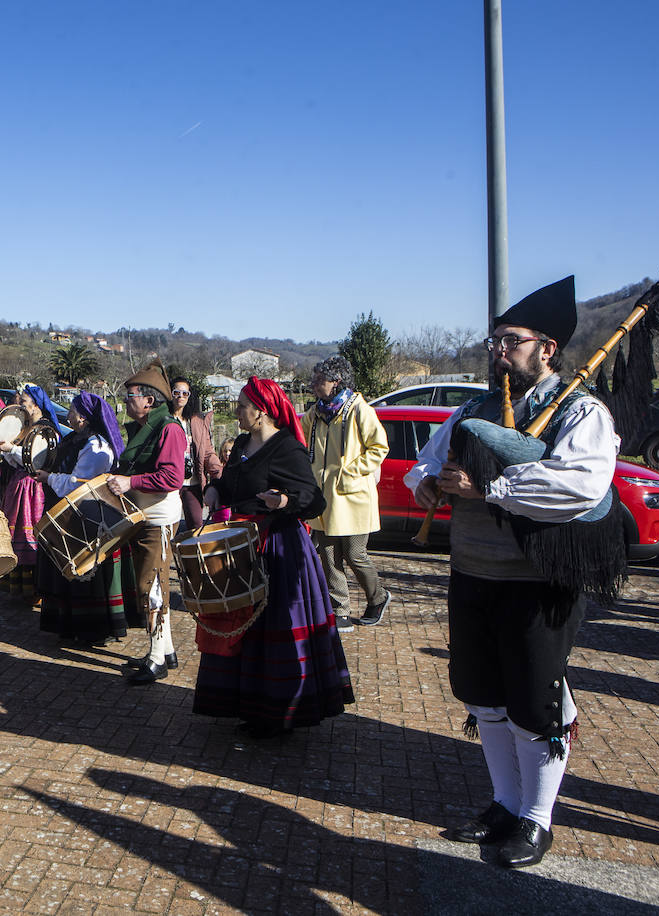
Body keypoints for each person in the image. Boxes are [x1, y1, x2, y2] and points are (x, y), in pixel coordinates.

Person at [406, 276, 618, 869]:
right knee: (482, 696)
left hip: (538, 583)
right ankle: (503, 803)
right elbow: (426, 459)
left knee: (533, 703)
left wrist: (491, 488)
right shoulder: (472, 408)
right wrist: (426, 485)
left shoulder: (580, 409)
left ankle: (536, 819)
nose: (499, 351)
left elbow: (580, 486)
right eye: (493, 341)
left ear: (546, 348)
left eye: (512, 341)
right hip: (472, 572)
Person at [198, 377, 354, 738]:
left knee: (273, 630)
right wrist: (214, 490)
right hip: (242, 544)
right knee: (245, 628)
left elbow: (314, 499)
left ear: (262, 410)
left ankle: (278, 713)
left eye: (241, 405)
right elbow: (231, 483)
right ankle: (248, 707)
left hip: (279, 548)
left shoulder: (287, 449)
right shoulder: (240, 444)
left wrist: (285, 501)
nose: (236, 411)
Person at [33, 391, 139, 644]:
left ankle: (94, 629)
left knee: (89, 573)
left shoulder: (96, 447)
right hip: (78, 515)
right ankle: (72, 625)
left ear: (83, 417)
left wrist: (49, 478)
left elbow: (77, 485)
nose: (68, 414)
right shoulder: (78, 439)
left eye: (72, 410)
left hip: (90, 517)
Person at [105, 361, 187, 684]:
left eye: (131, 395)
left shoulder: (168, 429)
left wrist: (129, 482)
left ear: (149, 401)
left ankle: (157, 660)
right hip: (145, 518)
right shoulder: (146, 428)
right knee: (154, 586)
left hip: (160, 519)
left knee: (149, 587)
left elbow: (172, 477)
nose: (127, 401)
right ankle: (164, 651)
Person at [301, 356, 391, 632]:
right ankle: (340, 609)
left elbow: (379, 447)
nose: (314, 385)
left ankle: (378, 597)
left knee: (355, 554)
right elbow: (301, 442)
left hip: (352, 498)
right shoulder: (314, 414)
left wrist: (350, 471)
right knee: (328, 556)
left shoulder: (359, 409)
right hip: (324, 498)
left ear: (336, 382)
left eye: (319, 380)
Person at [0, 385, 61, 602]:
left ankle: (36, 589)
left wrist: (12, 450)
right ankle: (21, 587)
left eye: (23, 401)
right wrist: (4, 452)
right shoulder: (24, 427)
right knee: (17, 534)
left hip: (36, 489)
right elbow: (17, 460)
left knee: (31, 535)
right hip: (20, 487)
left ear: (36, 405)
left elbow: (36, 459)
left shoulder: (46, 429)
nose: (20, 405)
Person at [169, 377, 224, 529]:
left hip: (193, 482)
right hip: (170, 483)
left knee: (196, 525)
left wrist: (218, 475)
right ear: (170, 394)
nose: (180, 396)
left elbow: (207, 453)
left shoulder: (197, 421)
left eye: (185, 393)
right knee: (169, 528)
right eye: (176, 392)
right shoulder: (163, 419)